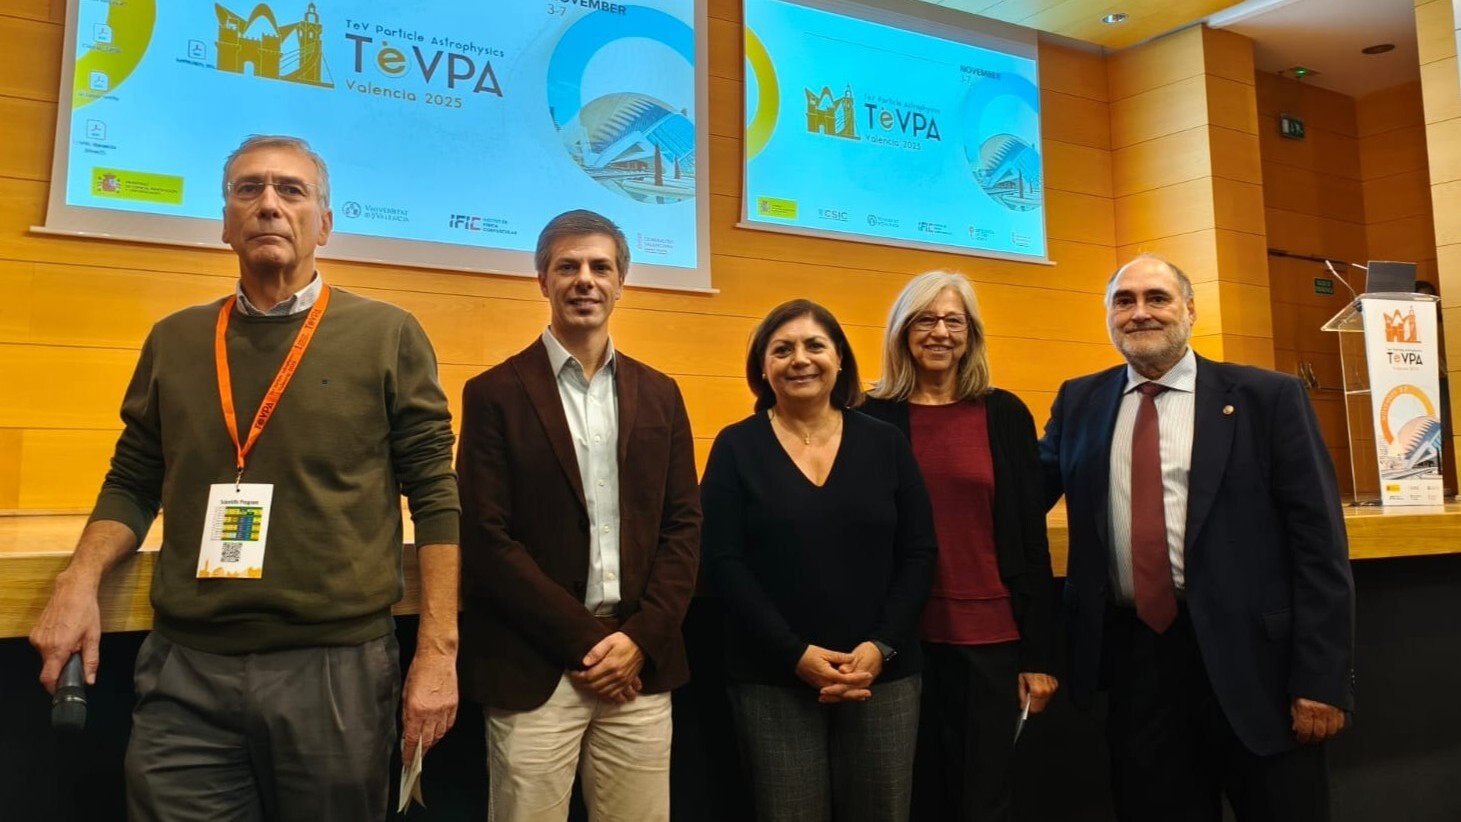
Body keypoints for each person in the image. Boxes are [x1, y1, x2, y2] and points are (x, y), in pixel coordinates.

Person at [28, 134, 461, 819]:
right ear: (225, 223)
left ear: (324, 223)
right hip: (186, 668)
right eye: (248, 189)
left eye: (291, 190)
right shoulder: (174, 339)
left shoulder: (388, 334)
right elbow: (133, 478)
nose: (268, 203)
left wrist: (438, 652)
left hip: (335, 670)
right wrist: (77, 580)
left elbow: (436, 495)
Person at [1040, 255, 1354, 821]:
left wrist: (1321, 678)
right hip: (1137, 664)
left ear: (1189, 309)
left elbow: (1320, 547)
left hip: (1259, 669)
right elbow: (1017, 495)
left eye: (1157, 298)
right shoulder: (1080, 401)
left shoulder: (1267, 398)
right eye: (1124, 301)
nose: (1140, 313)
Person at [456, 209, 701, 822]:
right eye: (567, 267)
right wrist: (591, 646)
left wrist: (639, 640)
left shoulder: (662, 393)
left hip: (639, 668)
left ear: (621, 283)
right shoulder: (493, 394)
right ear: (543, 280)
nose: (585, 280)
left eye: (600, 267)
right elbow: (487, 538)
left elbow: (683, 527)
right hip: (535, 669)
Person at [701, 299, 938, 822]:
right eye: (782, 349)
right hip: (772, 676)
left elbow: (920, 552)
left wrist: (881, 647)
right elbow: (722, 561)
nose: (800, 360)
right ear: (763, 367)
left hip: (881, 675)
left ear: (839, 359)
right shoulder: (736, 446)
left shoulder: (886, 442)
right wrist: (793, 653)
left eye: (815, 346)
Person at [860, 271, 1057, 822]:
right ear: (902, 331)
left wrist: (1039, 654)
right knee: (903, 796)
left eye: (954, 321)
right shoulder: (867, 414)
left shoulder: (1005, 414)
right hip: (897, 637)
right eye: (925, 319)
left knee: (981, 799)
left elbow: (1030, 537)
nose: (940, 332)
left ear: (971, 335)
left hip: (989, 638)